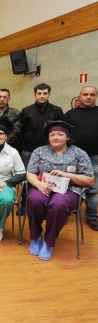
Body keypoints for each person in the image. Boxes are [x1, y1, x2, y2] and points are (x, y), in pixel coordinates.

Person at [26, 120, 94, 261]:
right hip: (43, 186)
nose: (55, 137)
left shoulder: (79, 153)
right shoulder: (39, 151)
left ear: (67, 137)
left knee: (58, 205)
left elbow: (89, 180)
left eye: (60, 134)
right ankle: (36, 236)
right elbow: (30, 173)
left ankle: (49, 242)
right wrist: (39, 185)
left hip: (69, 189)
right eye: (52, 135)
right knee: (35, 200)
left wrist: (66, 175)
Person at [18, 83, 64, 215]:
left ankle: (48, 205)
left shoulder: (57, 110)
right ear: (35, 94)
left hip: (50, 153)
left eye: (45, 93)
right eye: (39, 93)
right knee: (27, 179)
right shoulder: (26, 111)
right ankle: (25, 205)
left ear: (49, 94)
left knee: (49, 179)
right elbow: (21, 131)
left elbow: (61, 131)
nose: (42, 96)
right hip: (28, 151)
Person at [65, 86, 98, 230]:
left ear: (96, 96)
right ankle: (63, 210)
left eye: (92, 94)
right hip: (74, 158)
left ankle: (91, 216)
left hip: (95, 157)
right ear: (79, 97)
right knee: (68, 185)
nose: (88, 97)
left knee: (93, 188)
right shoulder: (70, 114)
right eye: (85, 94)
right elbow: (64, 135)